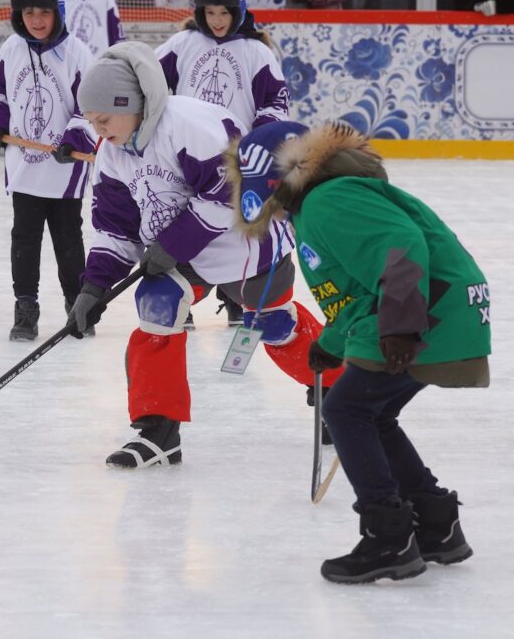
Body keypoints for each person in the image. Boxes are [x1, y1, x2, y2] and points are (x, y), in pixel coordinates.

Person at [230, 119, 491, 584]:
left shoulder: (329, 199)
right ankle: (436, 527)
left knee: (346, 411)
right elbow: (358, 293)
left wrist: (404, 325)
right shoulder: (322, 201)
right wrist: (329, 344)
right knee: (371, 413)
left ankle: (388, 538)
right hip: (433, 310)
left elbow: (401, 247)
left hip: (429, 312)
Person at [67, 42, 344, 469]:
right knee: (157, 306)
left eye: (104, 119)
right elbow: (114, 227)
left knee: (273, 325)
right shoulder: (112, 153)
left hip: (248, 240)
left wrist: (170, 246)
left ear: (132, 103)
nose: (99, 130)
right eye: (91, 122)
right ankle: (158, 432)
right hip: (183, 251)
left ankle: (339, 393)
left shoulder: (188, 126)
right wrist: (93, 287)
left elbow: (227, 196)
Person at [155, 0, 289, 327]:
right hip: (190, 154)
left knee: (236, 225)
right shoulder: (183, 44)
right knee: (188, 219)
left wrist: (257, 142)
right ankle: (183, 296)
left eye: (224, 13)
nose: (217, 21)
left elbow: (275, 103)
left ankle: (234, 295)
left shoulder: (256, 52)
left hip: (237, 159)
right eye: (210, 13)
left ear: (238, 12)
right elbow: (149, 79)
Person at [0, 0, 96, 341]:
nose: (36, 20)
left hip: (64, 170)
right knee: (25, 239)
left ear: (57, 12)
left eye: (43, 12)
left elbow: (89, 103)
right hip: (25, 167)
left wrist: (75, 135)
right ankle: (25, 309)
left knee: (68, 239)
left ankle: (76, 305)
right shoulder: (11, 49)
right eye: (28, 12)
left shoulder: (78, 52)